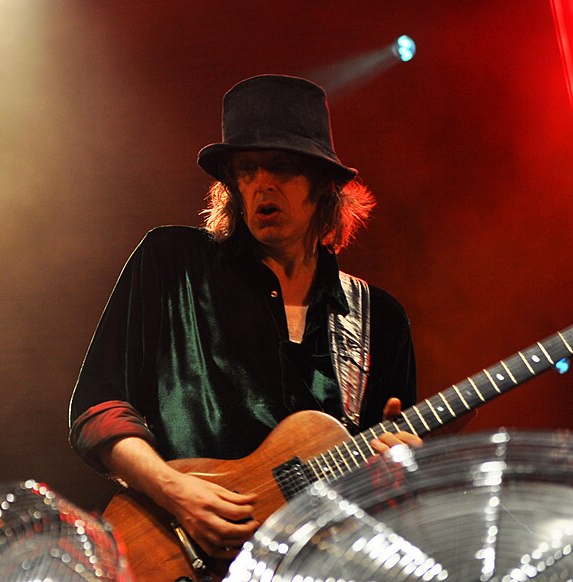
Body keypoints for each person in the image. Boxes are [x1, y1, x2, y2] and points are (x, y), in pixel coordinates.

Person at [68, 75, 421, 560]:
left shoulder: (379, 318)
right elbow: (97, 409)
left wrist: (394, 477)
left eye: (281, 167)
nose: (262, 184)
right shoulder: (171, 263)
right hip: (179, 556)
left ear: (323, 184)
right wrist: (173, 490)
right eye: (247, 169)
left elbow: (380, 503)